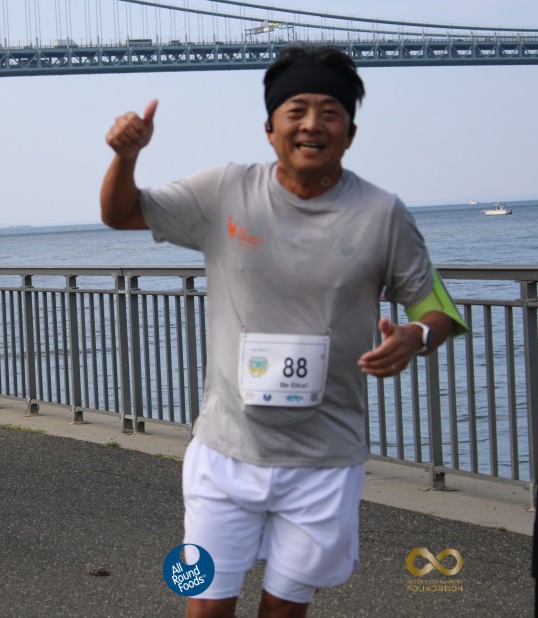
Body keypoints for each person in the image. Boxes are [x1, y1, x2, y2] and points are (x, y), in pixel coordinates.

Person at [101, 44, 466, 618]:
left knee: (285, 610)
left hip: (325, 461)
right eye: (296, 110)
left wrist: (415, 338)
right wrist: (126, 159)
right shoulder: (223, 190)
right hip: (226, 451)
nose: (312, 124)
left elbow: (436, 307)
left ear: (351, 133)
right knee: (207, 607)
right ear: (269, 129)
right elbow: (121, 213)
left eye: (330, 112)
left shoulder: (383, 214)